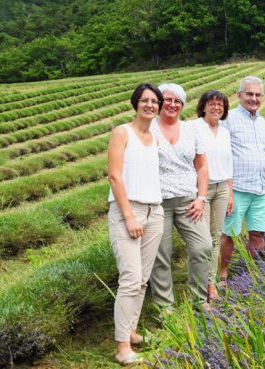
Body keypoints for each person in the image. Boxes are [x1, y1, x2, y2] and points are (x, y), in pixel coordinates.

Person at [107, 83, 164, 365]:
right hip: (128, 210)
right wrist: (129, 216)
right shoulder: (122, 132)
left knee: (142, 280)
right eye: (145, 100)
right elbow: (115, 177)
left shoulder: (154, 138)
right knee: (130, 279)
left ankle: (131, 331)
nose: (150, 105)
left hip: (155, 211)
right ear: (135, 104)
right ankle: (121, 348)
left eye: (154, 101)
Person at [149, 83, 213, 308]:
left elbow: (202, 167)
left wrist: (201, 198)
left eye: (178, 101)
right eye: (167, 99)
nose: (172, 104)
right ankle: (165, 306)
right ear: (158, 102)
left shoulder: (191, 130)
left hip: (189, 200)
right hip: (158, 203)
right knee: (160, 256)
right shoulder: (147, 129)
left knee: (202, 247)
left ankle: (199, 299)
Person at [218, 76, 265, 280]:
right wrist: (228, 190)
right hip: (237, 187)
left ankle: (250, 275)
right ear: (239, 95)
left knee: (257, 234)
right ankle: (222, 275)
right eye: (249, 94)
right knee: (229, 234)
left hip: (260, 188)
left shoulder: (263, 122)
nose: (254, 98)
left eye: (258, 95)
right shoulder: (228, 119)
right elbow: (221, 155)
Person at [193, 90, 234, 301]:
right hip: (203, 189)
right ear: (204, 106)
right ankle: (202, 284)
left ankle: (211, 284)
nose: (217, 107)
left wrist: (231, 193)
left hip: (222, 188)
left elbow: (228, 164)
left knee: (216, 237)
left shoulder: (225, 132)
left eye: (221, 104)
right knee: (204, 240)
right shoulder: (194, 128)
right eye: (212, 103)